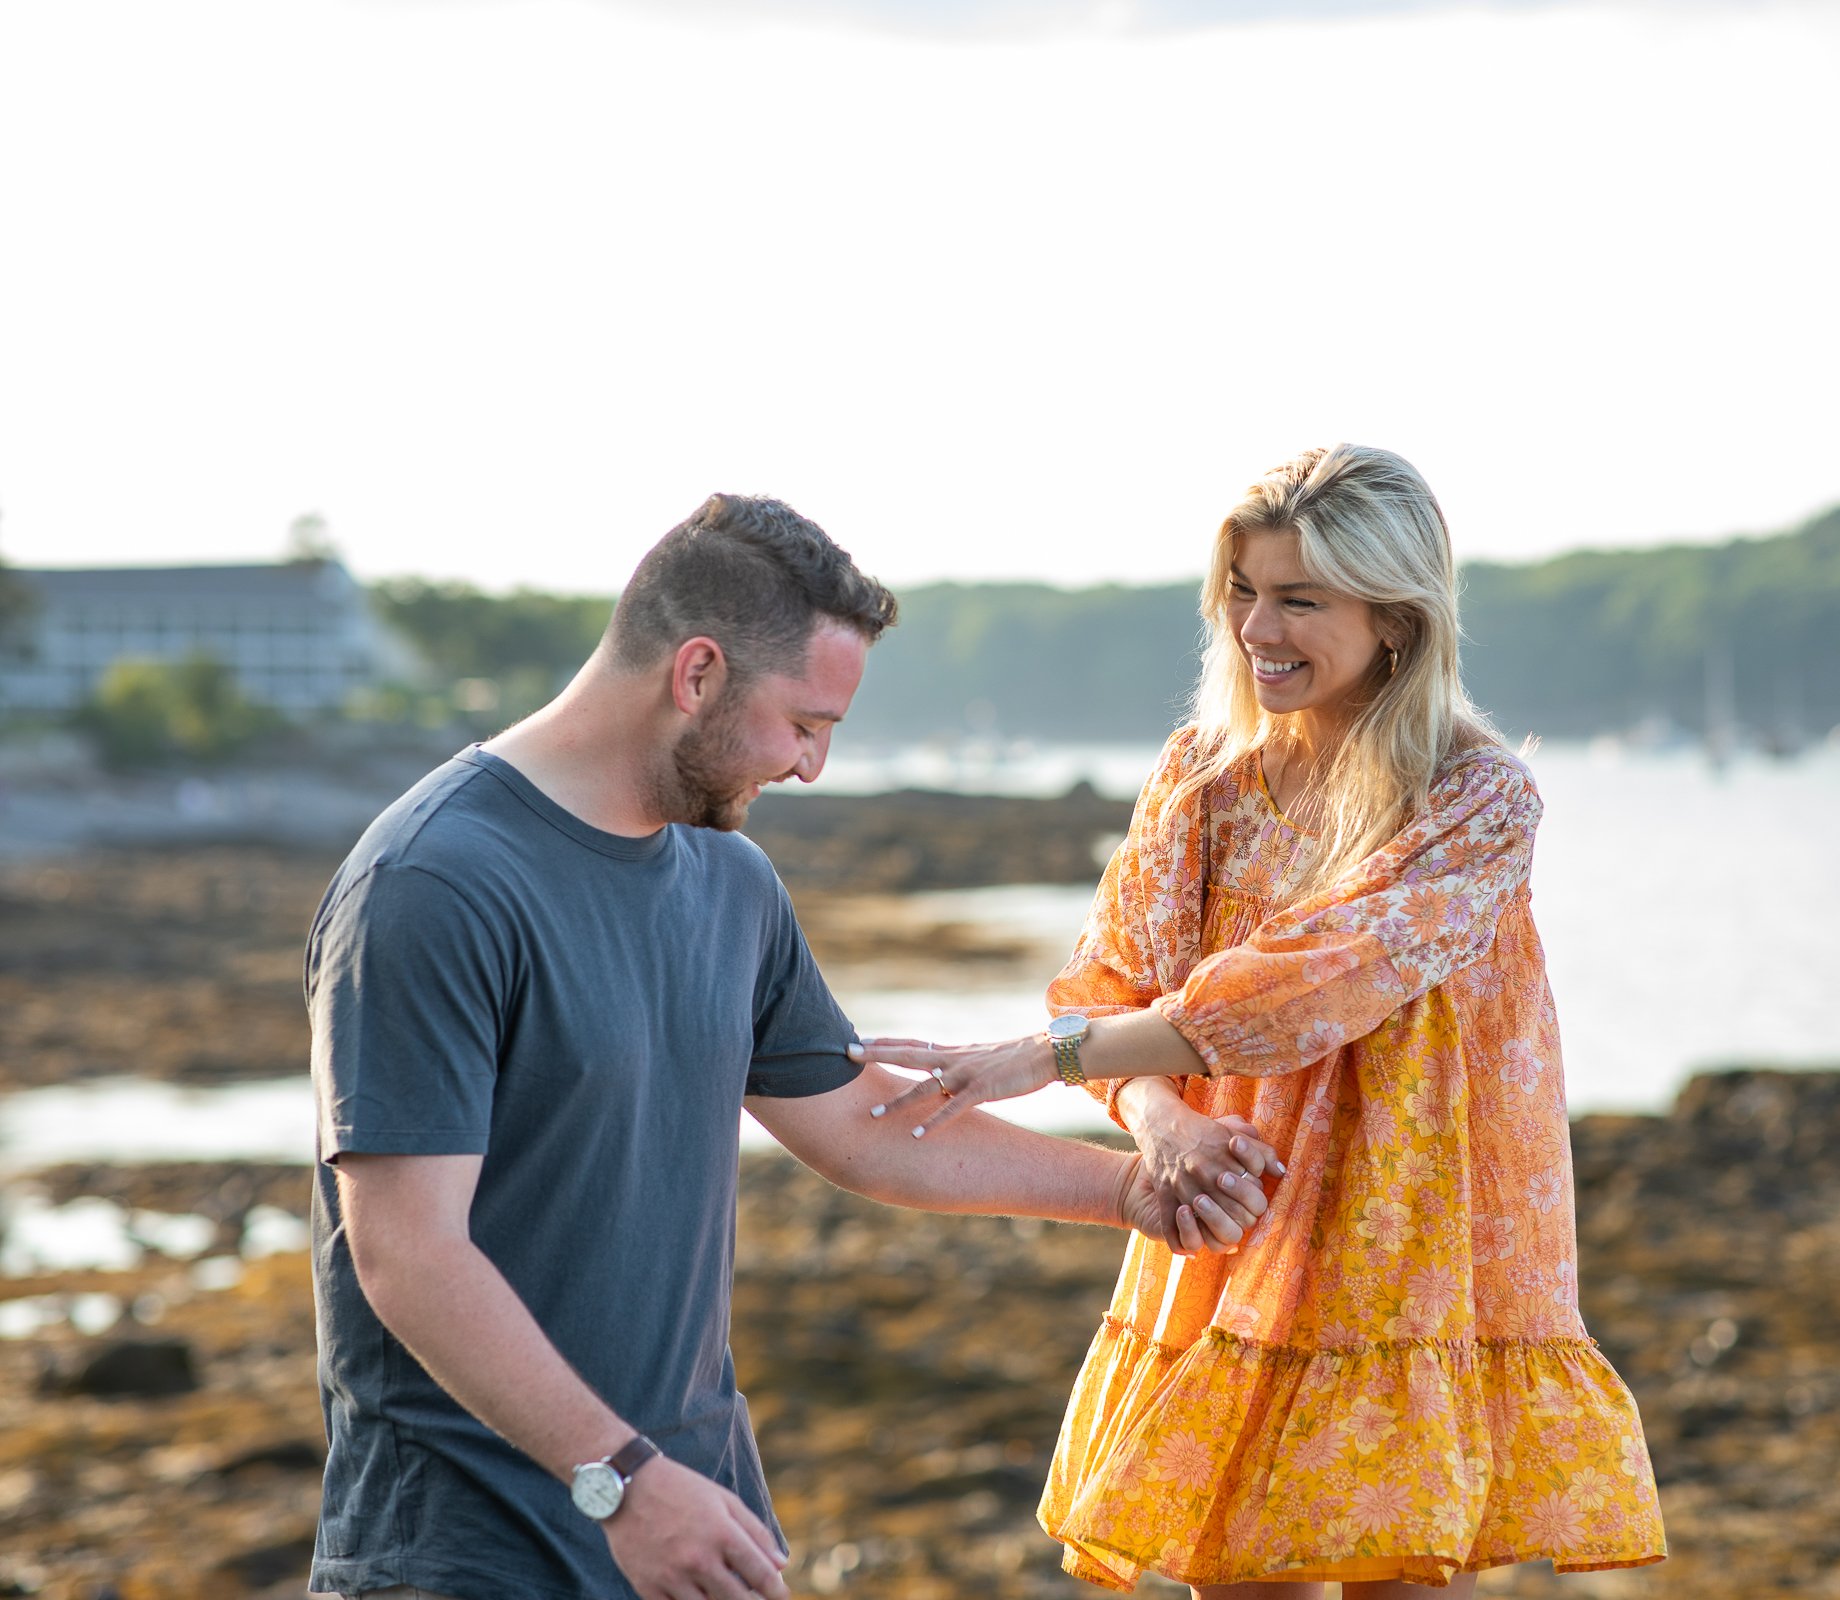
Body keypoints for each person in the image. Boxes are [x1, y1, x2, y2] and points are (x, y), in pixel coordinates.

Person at [302, 493, 1275, 1600]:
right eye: (805, 724)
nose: (812, 766)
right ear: (698, 673)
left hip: (699, 1534)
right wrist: (622, 1480)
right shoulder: (434, 882)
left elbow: (869, 1132)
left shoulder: (732, 882)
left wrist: (1135, 1194)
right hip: (470, 1555)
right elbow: (408, 1256)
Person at [861, 445, 1669, 1595]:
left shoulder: (1478, 797)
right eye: (1242, 589)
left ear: (1396, 619)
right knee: (1229, 1573)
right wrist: (1160, 1126)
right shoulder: (1203, 776)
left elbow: (1301, 989)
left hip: (1407, 1238)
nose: (1258, 626)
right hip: (1234, 1205)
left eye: (1300, 598)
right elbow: (1110, 988)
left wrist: (1039, 1060)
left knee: (1400, 1575)